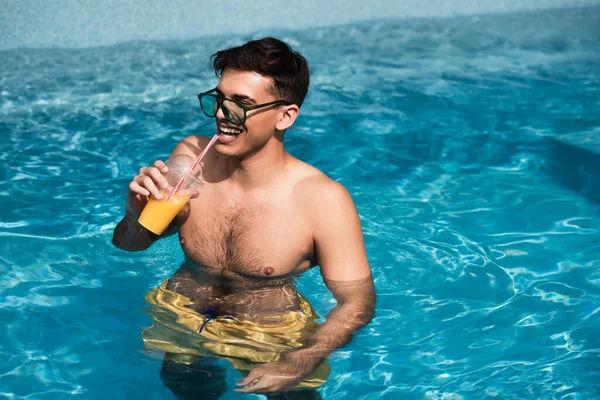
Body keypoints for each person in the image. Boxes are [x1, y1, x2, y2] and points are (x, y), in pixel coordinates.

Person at [112, 37, 375, 399]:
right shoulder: (191, 160)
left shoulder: (323, 199)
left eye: (242, 104)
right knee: (188, 389)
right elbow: (130, 245)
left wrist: (299, 361)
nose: (222, 113)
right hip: (183, 311)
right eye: (220, 99)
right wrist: (133, 212)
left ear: (285, 115)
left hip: (271, 331)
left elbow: (356, 304)